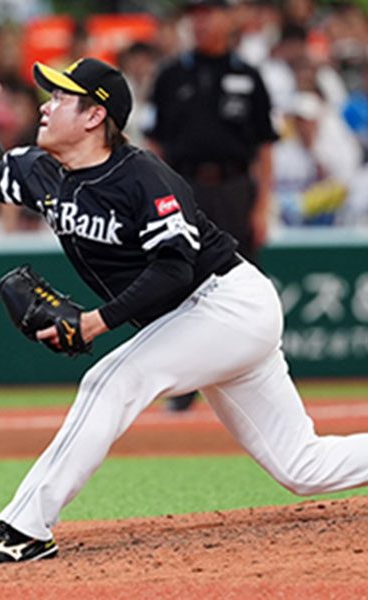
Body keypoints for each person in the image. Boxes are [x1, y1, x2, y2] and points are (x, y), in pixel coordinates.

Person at [0, 58, 368, 568]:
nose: (46, 104)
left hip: (228, 305)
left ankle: (25, 528)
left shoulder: (142, 176)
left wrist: (97, 322)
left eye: (61, 96)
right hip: (195, 325)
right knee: (303, 466)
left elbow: (174, 269)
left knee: (110, 380)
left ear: (95, 116)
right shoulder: (45, 173)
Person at [145, 0, 278, 411]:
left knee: (244, 285)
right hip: (184, 185)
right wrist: (157, 197)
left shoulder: (248, 76)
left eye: (209, 12)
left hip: (235, 186)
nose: (202, 21)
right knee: (183, 283)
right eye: (195, 14)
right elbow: (154, 142)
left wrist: (262, 206)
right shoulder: (170, 75)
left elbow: (265, 147)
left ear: (228, 18)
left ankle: (252, 383)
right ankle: (184, 385)